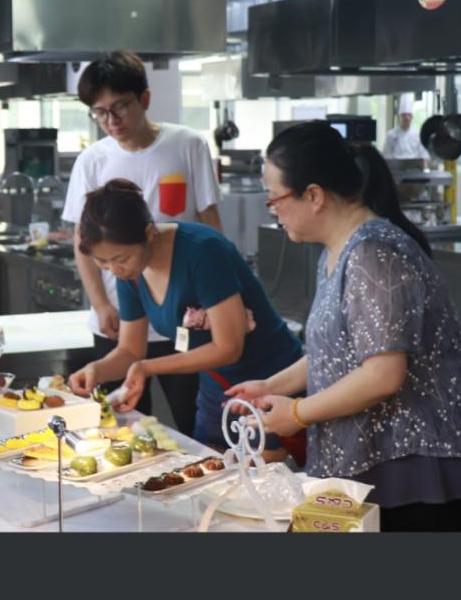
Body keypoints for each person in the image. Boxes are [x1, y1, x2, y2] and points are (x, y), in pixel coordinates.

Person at [229, 121, 461, 532]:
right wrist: (271, 387)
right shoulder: (336, 251)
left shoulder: (373, 254)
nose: (272, 209)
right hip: (371, 455)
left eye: (274, 198)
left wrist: (298, 413)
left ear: (313, 195)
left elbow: (382, 375)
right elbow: (338, 352)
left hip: (422, 465)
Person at [67, 180, 303, 455]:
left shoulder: (202, 251)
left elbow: (229, 348)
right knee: (209, 471)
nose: (114, 270)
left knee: (255, 477)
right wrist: (97, 370)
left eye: (119, 258)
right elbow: (130, 350)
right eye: (102, 262)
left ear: (149, 233)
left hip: (271, 381)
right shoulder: (132, 272)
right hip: (216, 389)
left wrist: (147, 367)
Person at [62, 50, 222, 437]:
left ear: (144, 99)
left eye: (120, 107)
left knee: (196, 423)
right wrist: (100, 303)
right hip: (118, 319)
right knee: (121, 428)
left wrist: (214, 302)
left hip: (183, 316)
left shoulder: (187, 144)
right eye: (100, 113)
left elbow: (211, 224)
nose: (111, 121)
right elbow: (82, 243)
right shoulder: (92, 160)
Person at [380, 93, 429, 162]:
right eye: (403, 115)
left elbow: (424, 154)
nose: (406, 117)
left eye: (408, 115)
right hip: (396, 167)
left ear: (411, 117)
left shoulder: (418, 135)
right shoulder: (391, 134)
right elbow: (387, 155)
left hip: (414, 167)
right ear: (399, 117)